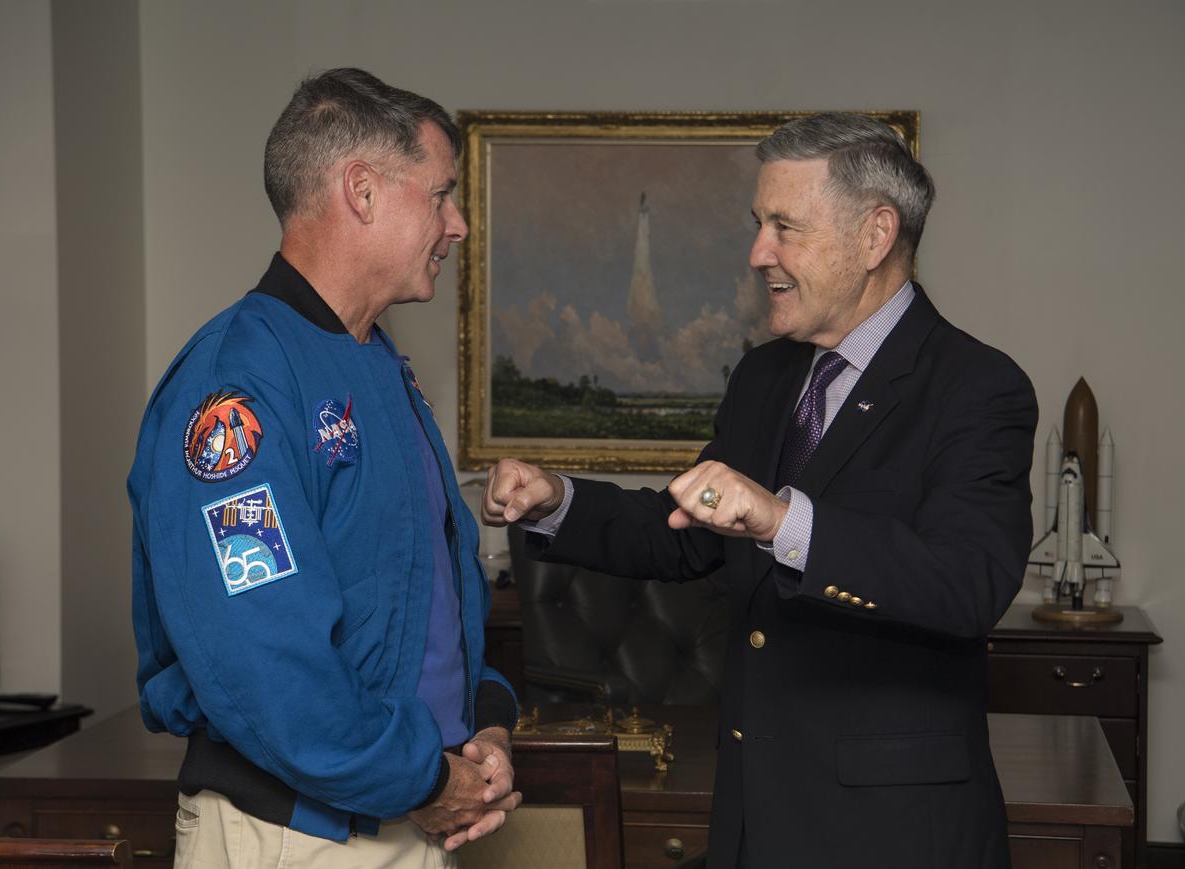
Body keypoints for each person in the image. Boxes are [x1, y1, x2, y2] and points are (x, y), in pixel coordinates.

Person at [484, 112, 1037, 869]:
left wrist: (784, 520)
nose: (757, 253)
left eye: (785, 226)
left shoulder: (977, 387)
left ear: (875, 236)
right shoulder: (765, 376)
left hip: (896, 834)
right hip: (754, 821)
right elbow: (686, 530)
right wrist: (559, 500)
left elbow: (967, 582)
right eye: (757, 223)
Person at [129, 68, 520, 868]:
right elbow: (265, 659)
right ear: (363, 191)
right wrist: (420, 774)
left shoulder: (375, 364)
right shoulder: (237, 387)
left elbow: (433, 590)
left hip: (408, 811)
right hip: (300, 834)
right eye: (441, 194)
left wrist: (485, 721)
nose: (459, 224)